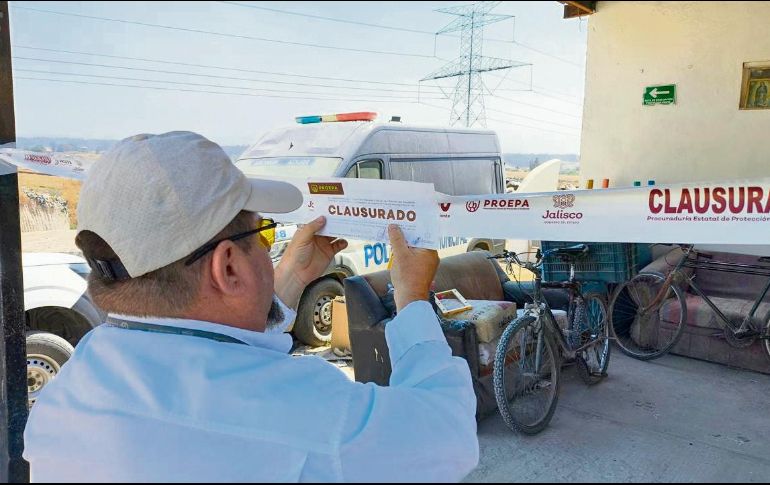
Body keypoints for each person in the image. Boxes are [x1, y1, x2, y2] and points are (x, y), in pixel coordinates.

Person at [23, 132, 479, 482]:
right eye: (261, 237)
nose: (269, 250)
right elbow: (447, 435)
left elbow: (215, 353)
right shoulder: (308, 411)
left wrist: (289, 281)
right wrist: (412, 299)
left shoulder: (74, 385)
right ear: (227, 266)